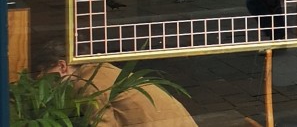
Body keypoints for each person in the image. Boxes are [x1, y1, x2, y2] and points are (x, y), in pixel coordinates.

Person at [34, 40, 197, 126]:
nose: (40, 78)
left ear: (62, 66)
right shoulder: (98, 69)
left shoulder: (87, 85)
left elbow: (103, 124)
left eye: (42, 72)